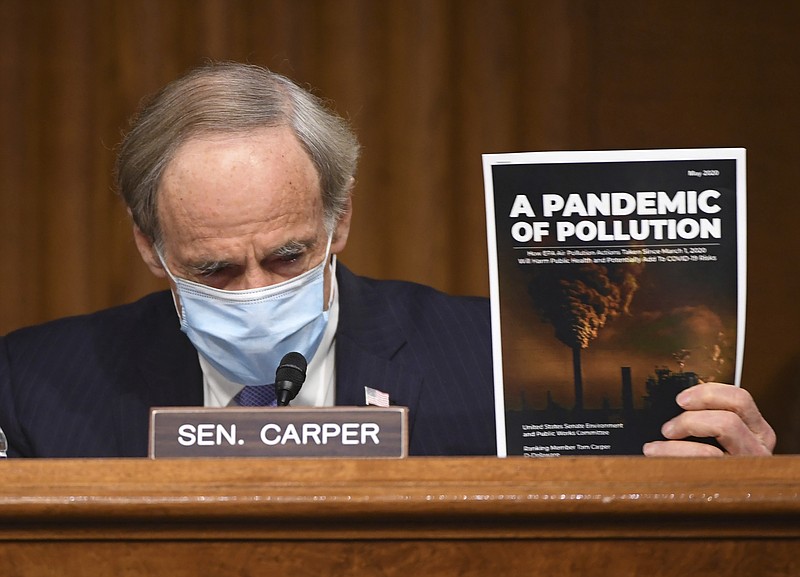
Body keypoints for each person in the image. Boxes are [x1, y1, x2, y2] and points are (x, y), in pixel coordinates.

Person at [0, 62, 775, 458]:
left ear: (339, 221)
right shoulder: (34, 386)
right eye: (213, 269)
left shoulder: (498, 368)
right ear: (149, 245)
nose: (256, 291)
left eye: (287, 253)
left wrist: (739, 490)